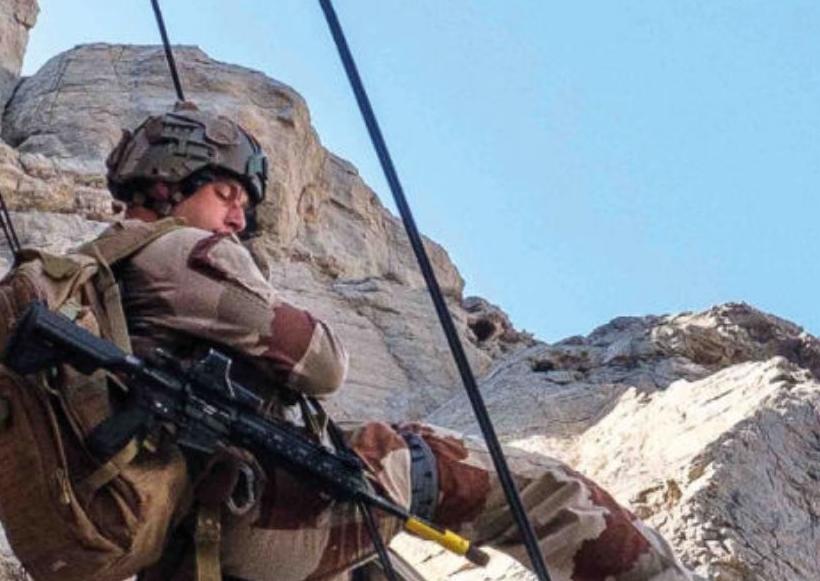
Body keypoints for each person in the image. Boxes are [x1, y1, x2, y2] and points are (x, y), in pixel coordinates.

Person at [99, 103, 695, 581]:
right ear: (167, 181)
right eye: (227, 196)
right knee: (540, 490)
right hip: (256, 521)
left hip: (190, 548)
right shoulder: (182, 250)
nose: (238, 220)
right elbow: (323, 363)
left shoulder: (92, 279)